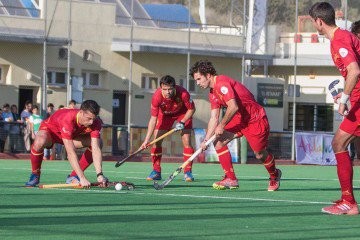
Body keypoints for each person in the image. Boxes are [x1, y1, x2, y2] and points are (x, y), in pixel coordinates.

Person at [189, 60, 282, 191]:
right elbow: (214, 118)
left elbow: (233, 106)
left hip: (255, 119)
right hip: (239, 119)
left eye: (199, 79)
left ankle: (274, 175)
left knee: (259, 154)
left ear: (208, 75)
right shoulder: (212, 93)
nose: (197, 83)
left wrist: (222, 125)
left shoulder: (222, 84)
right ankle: (231, 178)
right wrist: (206, 140)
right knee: (218, 141)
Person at [309, 2, 360, 215]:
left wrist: (344, 99)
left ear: (319, 22)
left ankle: (349, 202)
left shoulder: (339, 39)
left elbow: (354, 70)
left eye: (313, 22)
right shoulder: (343, 37)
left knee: (338, 142)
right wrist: (346, 94)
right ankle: (347, 198)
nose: (314, 25)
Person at [25, 100, 108, 188]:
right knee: (39, 141)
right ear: (81, 113)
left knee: (99, 143)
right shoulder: (68, 119)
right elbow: (70, 153)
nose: (91, 122)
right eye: (89, 118)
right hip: (51, 132)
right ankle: (35, 174)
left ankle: (73, 176)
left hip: (71, 135)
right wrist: (82, 178)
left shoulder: (96, 122)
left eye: (93, 119)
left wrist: (100, 175)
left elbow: (96, 148)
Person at [140, 75, 196, 181]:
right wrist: (146, 140)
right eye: (164, 89)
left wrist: (183, 122)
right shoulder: (157, 97)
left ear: (174, 87)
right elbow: (153, 119)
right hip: (165, 115)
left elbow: (192, 109)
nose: (167, 92)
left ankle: (188, 172)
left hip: (183, 114)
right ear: (161, 88)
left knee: (187, 141)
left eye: (170, 89)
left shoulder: (183, 93)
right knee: (156, 141)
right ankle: (156, 171)